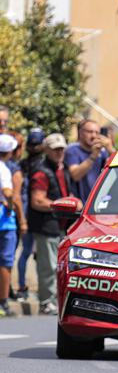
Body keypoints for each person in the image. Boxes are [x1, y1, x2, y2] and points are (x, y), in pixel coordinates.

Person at [28, 134, 73, 315]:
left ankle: (56, 301)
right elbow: (37, 201)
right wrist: (61, 205)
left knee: (60, 267)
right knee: (49, 266)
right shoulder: (41, 171)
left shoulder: (62, 168)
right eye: (55, 149)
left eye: (61, 149)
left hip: (61, 225)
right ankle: (47, 302)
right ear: (46, 150)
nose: (59, 152)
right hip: (47, 226)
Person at [15, 128, 44, 301]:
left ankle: (41, 288)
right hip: (29, 214)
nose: (34, 148)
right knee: (28, 252)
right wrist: (23, 220)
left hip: (38, 215)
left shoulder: (41, 163)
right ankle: (22, 286)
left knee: (39, 255)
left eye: (36, 144)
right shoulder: (24, 165)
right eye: (32, 144)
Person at [65, 120, 114, 204]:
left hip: (99, 202)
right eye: (90, 132)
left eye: (97, 132)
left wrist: (110, 149)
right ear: (80, 133)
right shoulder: (72, 150)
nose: (94, 136)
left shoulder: (102, 152)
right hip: (81, 205)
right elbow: (75, 175)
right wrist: (93, 156)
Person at [0, 135, 18, 316]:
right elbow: (8, 192)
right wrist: (10, 206)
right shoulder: (3, 169)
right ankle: (3, 302)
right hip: (4, 222)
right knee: (5, 262)